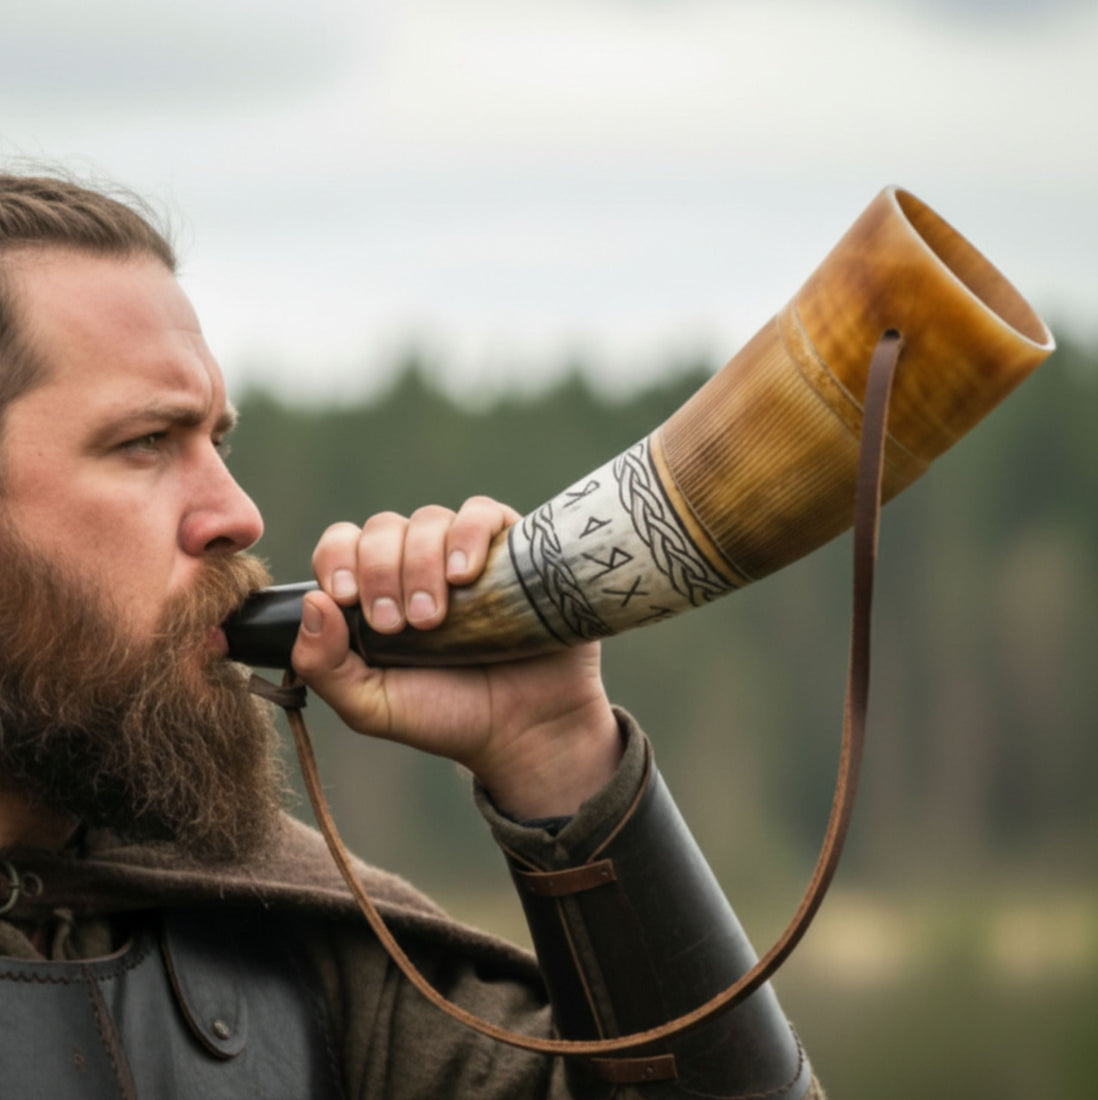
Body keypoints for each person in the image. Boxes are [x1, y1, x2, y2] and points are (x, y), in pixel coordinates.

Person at [0, 173, 824, 1098]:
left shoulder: (287, 945)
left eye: (217, 445)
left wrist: (555, 752)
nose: (236, 514)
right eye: (147, 441)